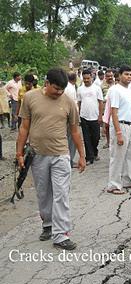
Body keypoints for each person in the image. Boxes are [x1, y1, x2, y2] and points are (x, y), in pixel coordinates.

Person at [17, 68, 86, 250]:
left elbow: (74, 131)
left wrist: (82, 155)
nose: (59, 92)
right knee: (43, 193)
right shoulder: (30, 98)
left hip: (61, 155)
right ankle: (47, 224)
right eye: (56, 88)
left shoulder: (69, 103)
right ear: (47, 83)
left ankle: (61, 234)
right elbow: (24, 128)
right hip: (38, 155)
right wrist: (18, 154)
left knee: (61, 194)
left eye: (62, 89)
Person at [106, 65, 131, 194]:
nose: (129, 77)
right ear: (120, 75)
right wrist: (118, 132)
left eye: (130, 74)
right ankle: (114, 185)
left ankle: (129, 180)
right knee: (117, 156)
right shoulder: (115, 90)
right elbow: (114, 112)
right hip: (120, 125)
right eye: (126, 74)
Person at [77, 69, 103, 164]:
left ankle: (94, 151)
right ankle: (89, 157)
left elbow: (100, 102)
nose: (86, 80)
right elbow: (79, 103)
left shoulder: (97, 88)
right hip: (84, 116)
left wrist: (100, 115)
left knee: (96, 137)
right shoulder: (80, 89)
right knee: (86, 138)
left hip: (95, 117)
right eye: (84, 78)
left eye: (88, 78)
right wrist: (79, 116)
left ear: (92, 77)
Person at [64, 72, 78, 167]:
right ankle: (70, 160)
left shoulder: (66, 87)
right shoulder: (70, 88)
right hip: (70, 117)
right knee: (72, 139)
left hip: (66, 116)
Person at [101, 69, 115, 148]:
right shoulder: (101, 85)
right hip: (105, 108)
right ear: (105, 77)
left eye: (111, 76)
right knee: (106, 126)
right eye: (108, 76)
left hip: (115, 108)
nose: (110, 77)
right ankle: (108, 142)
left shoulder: (117, 85)